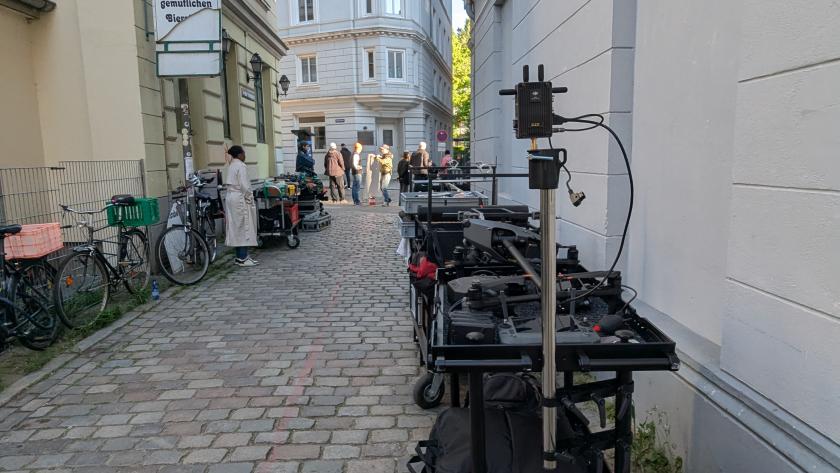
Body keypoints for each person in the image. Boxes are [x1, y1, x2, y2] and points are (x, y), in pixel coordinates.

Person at [223, 145, 258, 267]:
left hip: (231, 197)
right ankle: (242, 257)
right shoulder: (241, 166)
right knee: (244, 227)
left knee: (236, 227)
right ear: (239, 154)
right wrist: (250, 198)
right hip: (239, 198)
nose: (245, 155)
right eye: (244, 153)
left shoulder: (232, 165)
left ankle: (240, 256)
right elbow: (245, 185)